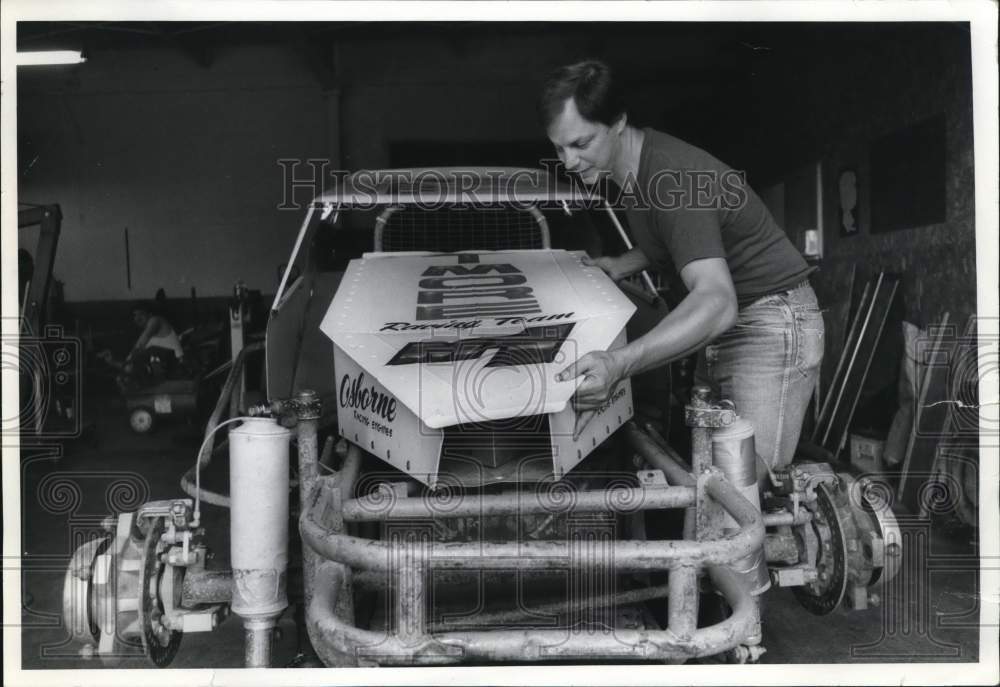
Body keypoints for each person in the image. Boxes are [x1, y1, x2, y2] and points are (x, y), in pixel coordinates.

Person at [541, 60, 824, 479]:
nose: (569, 161)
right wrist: (623, 264)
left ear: (618, 121)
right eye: (559, 148)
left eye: (581, 144)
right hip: (732, 323)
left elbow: (717, 301)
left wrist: (618, 363)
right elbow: (674, 239)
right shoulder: (631, 171)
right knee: (711, 482)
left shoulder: (670, 176)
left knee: (740, 490)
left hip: (768, 322)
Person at [114, 301, 185, 390]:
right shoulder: (150, 332)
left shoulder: (156, 320)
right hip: (164, 366)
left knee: (142, 354)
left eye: (141, 314)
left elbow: (139, 345)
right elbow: (137, 348)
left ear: (150, 315)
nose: (137, 318)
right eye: (135, 315)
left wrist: (128, 363)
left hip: (174, 364)